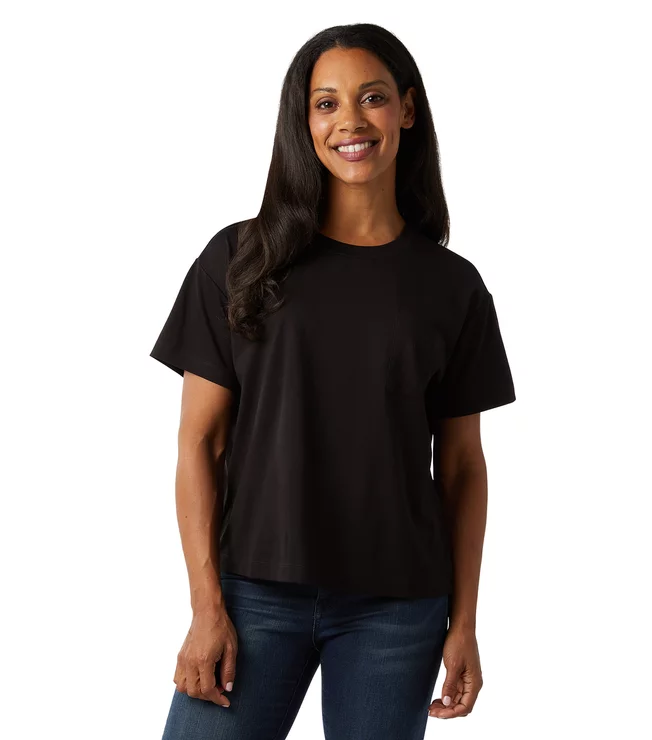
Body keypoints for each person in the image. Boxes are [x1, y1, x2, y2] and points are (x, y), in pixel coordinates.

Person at [149, 22, 516, 740]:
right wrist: (206, 606)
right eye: (326, 103)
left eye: (372, 97)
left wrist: (465, 621)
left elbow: (463, 468)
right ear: (304, 121)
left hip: (398, 608)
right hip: (253, 596)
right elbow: (200, 445)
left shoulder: (452, 287)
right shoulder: (240, 260)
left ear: (407, 110)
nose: (350, 120)